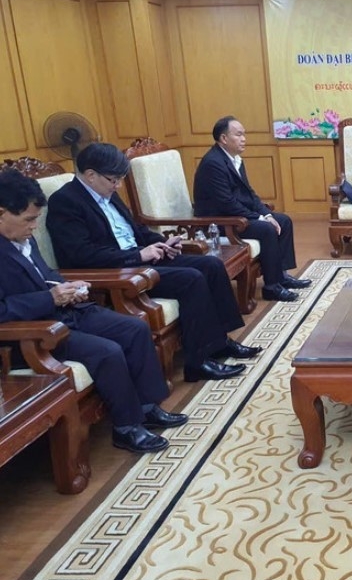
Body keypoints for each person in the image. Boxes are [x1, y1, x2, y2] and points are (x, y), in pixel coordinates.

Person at [0, 170, 188, 454]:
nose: (35, 227)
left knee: (134, 328)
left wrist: (68, 286)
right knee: (107, 351)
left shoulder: (23, 237)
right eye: (29, 219)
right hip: (34, 334)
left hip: (64, 311)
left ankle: (147, 407)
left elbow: (45, 273)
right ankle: (127, 428)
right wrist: (49, 297)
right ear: (2, 213)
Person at [46, 143, 261, 383]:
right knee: (191, 279)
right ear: (90, 175)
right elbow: (81, 255)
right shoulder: (65, 202)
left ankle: (219, 343)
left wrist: (163, 242)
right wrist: (138, 256)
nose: (117, 185)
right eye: (113, 180)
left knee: (211, 265)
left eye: (120, 179)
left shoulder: (107, 192)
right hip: (120, 271)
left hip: (139, 258)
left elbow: (136, 229)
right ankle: (197, 363)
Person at [193, 116, 310, 303]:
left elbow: (249, 194)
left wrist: (266, 213)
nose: (244, 139)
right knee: (266, 228)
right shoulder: (213, 163)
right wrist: (261, 219)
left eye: (244, 134)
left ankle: (281, 275)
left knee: (283, 220)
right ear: (224, 139)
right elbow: (227, 203)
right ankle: (271, 287)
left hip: (236, 215)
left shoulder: (235, 159)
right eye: (238, 135)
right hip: (220, 222)